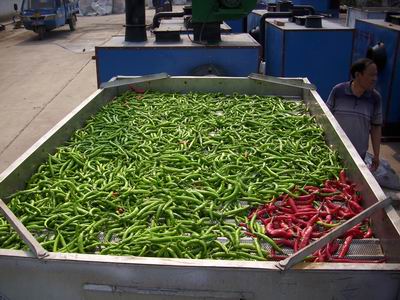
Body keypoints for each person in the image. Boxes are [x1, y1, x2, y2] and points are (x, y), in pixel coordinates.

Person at [326, 58, 382, 172]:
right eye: (371, 75)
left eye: (376, 75)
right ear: (357, 75)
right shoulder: (338, 91)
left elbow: (376, 127)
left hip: (358, 153)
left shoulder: (375, 98)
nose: (374, 79)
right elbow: (326, 116)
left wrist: (376, 155)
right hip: (333, 148)